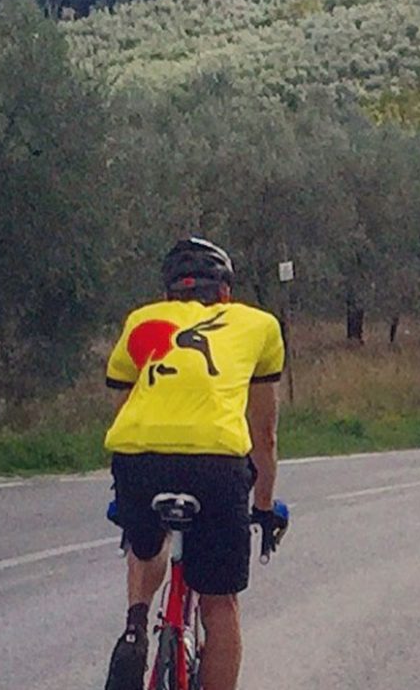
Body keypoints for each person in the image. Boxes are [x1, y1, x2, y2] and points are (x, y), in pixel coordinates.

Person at [103, 237, 287, 690]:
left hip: (139, 458)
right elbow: (264, 435)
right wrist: (264, 506)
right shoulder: (259, 325)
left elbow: (123, 408)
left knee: (144, 543)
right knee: (219, 603)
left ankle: (136, 625)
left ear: (168, 294)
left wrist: (127, 499)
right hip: (217, 464)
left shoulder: (142, 320)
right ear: (225, 292)